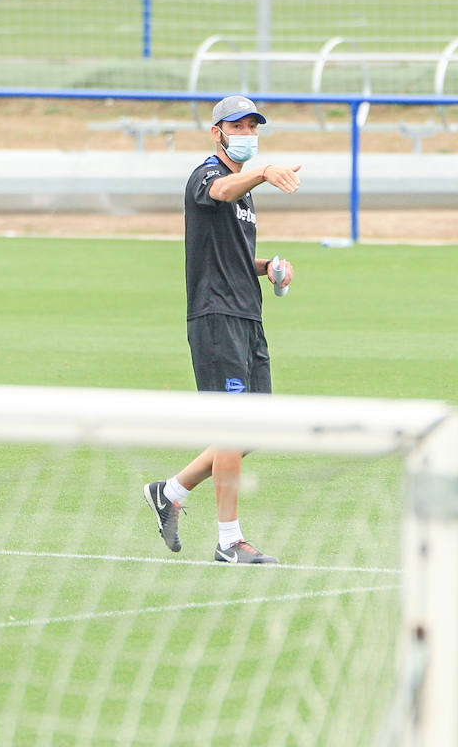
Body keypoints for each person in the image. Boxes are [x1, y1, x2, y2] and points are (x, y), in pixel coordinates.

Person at [144, 95, 301, 565]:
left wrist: (267, 264)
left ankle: (170, 491)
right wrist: (263, 171)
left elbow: (231, 254)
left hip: (247, 316)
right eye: (239, 126)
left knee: (254, 427)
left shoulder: (243, 192)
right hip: (216, 317)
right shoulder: (208, 176)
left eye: (254, 127)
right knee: (233, 427)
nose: (247, 134)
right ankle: (229, 541)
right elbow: (219, 192)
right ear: (217, 132)